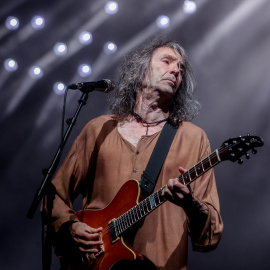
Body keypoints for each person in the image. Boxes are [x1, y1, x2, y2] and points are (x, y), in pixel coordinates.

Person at [44, 37, 223, 270]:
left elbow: (211, 234)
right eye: (167, 61)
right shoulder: (99, 130)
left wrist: (191, 204)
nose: (176, 70)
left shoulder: (193, 138)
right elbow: (52, 196)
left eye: (181, 68)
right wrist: (70, 227)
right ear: (139, 74)